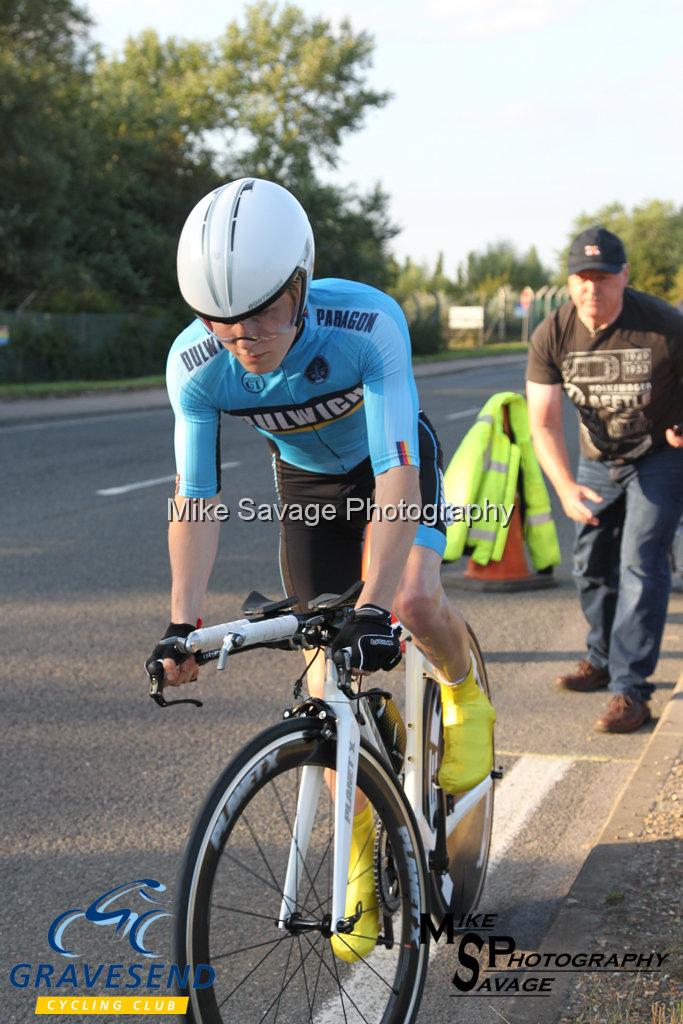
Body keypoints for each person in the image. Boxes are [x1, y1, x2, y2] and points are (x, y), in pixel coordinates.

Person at [147, 177, 495, 960]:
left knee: (406, 596)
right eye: (219, 319)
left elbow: (396, 475)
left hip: (391, 464)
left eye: (264, 313)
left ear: (299, 282)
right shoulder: (196, 364)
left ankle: (464, 694)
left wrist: (372, 606)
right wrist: (181, 623)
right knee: (321, 676)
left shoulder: (364, 322)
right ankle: (358, 863)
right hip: (305, 485)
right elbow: (196, 498)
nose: (243, 337)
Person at [526, 226, 683, 733]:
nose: (593, 288)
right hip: (598, 460)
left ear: (624, 276)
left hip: (658, 456)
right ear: (570, 282)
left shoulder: (661, 324)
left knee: (642, 559)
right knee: (589, 560)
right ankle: (600, 658)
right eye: (583, 278)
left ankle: (631, 691)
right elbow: (543, 421)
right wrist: (566, 487)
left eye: (604, 277)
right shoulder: (553, 333)